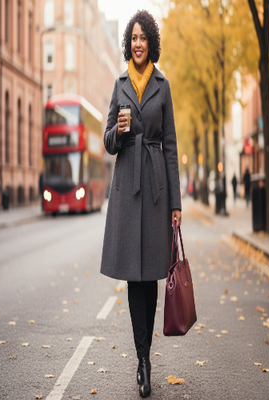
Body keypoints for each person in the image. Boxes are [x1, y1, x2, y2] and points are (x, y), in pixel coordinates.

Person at [100, 10, 182, 398]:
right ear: (128, 44)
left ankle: (145, 355)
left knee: (150, 275)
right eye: (132, 37)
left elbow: (170, 147)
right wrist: (116, 132)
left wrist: (176, 202)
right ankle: (143, 358)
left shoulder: (162, 86)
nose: (136, 43)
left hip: (154, 189)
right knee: (135, 277)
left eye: (142, 37)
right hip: (126, 185)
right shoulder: (119, 85)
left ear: (151, 43)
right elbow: (106, 140)